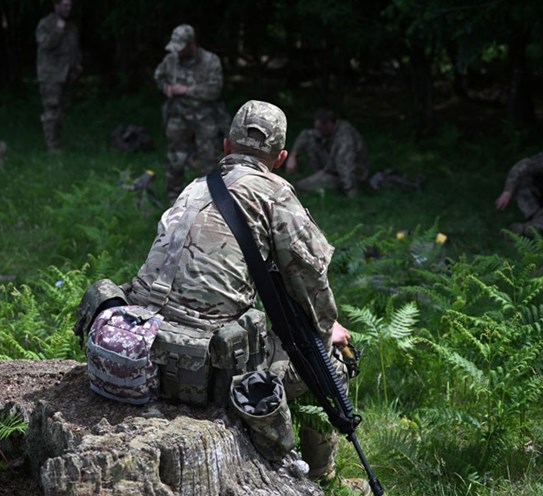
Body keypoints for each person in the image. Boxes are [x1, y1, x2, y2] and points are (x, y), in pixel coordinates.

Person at [124, 100, 356, 486]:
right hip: (205, 363)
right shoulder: (275, 195)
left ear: (226, 145)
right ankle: (321, 475)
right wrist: (327, 327)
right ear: (280, 158)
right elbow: (310, 278)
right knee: (328, 359)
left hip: (140, 351)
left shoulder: (194, 188)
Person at [154, 24, 225, 204]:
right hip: (178, 116)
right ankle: (174, 200)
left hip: (204, 118)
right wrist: (167, 88)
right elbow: (159, 76)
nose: (178, 51)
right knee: (176, 159)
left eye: (182, 47)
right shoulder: (171, 60)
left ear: (191, 44)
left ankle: (210, 202)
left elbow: (214, 90)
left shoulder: (210, 61)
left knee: (209, 160)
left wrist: (186, 90)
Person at [285, 108, 369, 198]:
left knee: (299, 187)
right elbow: (305, 135)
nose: (318, 131)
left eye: (320, 128)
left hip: (349, 176)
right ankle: (318, 176)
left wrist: (351, 192)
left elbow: (345, 167)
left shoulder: (344, 136)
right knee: (311, 141)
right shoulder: (327, 131)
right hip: (332, 167)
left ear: (328, 124)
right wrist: (293, 156)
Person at [36, 0, 82, 154]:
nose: (68, 8)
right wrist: (57, 30)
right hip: (50, 75)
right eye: (65, 5)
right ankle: (52, 146)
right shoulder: (46, 24)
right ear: (56, 5)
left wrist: (77, 65)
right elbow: (46, 44)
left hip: (67, 75)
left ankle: (57, 140)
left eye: (70, 5)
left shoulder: (72, 27)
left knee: (62, 110)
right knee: (51, 109)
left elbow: (73, 48)